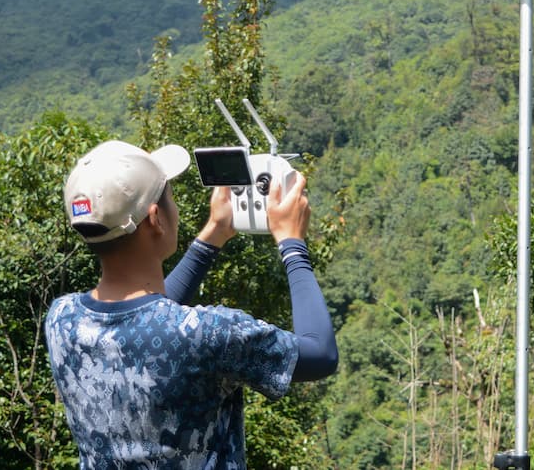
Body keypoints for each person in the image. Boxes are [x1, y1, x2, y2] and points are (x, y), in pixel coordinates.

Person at [44, 140, 337, 469]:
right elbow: (321, 354)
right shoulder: (210, 334)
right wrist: (292, 243)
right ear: (155, 218)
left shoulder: (62, 320)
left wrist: (214, 234)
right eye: (169, 195)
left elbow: (145, 322)